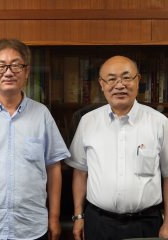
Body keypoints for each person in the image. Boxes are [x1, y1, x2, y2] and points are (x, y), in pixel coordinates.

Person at [0, 38, 70, 240]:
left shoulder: (42, 114)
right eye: (1, 66)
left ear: (26, 72)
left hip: (31, 225)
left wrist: (54, 217)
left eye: (16, 65)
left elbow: (54, 167)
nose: (8, 72)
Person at [65, 55, 168, 240]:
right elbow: (80, 173)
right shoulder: (87, 122)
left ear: (138, 81)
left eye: (126, 78)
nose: (119, 85)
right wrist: (78, 216)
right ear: (102, 84)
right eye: (111, 79)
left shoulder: (160, 123)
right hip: (98, 222)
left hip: (146, 223)